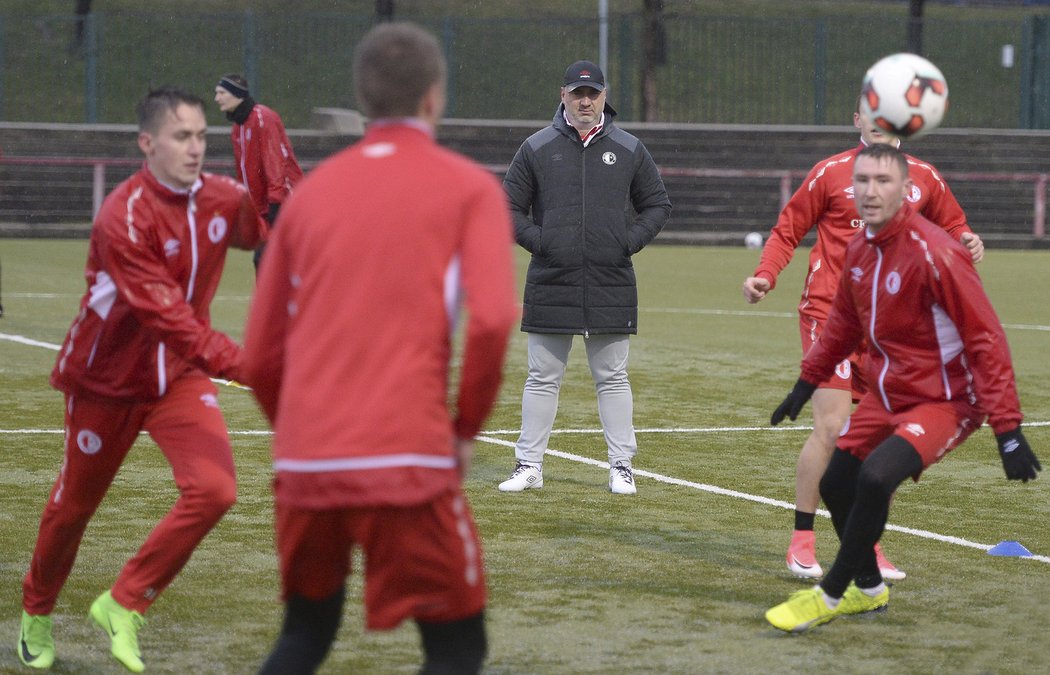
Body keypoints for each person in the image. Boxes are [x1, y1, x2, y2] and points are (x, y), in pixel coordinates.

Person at [241, 22, 518, 674]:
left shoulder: (309, 200)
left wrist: (304, 428)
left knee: (304, 636)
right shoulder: (468, 187)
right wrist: (463, 429)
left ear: (363, 98)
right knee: (456, 646)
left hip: (307, 461)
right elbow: (494, 319)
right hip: (407, 455)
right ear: (434, 96)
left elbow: (256, 355)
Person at [17, 87, 266, 672]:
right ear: (147, 143)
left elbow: (273, 229)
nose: (196, 148)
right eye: (183, 137)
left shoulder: (221, 198)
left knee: (216, 489)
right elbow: (173, 322)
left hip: (177, 379)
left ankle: (124, 602)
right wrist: (260, 368)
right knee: (74, 507)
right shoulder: (122, 218)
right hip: (106, 381)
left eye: (203, 136)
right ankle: (36, 611)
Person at [764, 143, 1040, 633]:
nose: (870, 191)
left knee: (874, 478)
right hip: (891, 394)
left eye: (882, 181)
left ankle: (830, 594)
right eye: (862, 181)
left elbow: (986, 339)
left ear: (906, 190)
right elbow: (843, 325)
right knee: (835, 483)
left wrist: (1008, 429)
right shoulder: (860, 250)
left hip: (947, 400)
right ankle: (870, 591)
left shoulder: (937, 253)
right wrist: (808, 382)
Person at [741, 101, 985, 581]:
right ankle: (802, 540)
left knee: (882, 444)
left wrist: (970, 240)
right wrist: (764, 275)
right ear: (857, 122)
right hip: (828, 316)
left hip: (889, 327)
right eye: (869, 114)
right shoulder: (830, 173)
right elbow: (787, 231)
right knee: (832, 429)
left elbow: (955, 227)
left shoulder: (925, 178)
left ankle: (866, 547)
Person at [498, 59, 672, 495]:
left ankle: (621, 466)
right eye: (577, 94)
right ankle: (528, 465)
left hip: (610, 279)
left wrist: (625, 241)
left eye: (592, 93)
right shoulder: (536, 147)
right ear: (563, 96)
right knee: (541, 377)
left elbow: (657, 205)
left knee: (613, 378)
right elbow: (508, 208)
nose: (585, 101)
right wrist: (543, 242)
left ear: (604, 97)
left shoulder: (630, 148)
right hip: (551, 278)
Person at [213, 73, 303, 268]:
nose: (216, 98)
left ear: (237, 94)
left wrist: (276, 203)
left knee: (269, 261)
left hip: (282, 202)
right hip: (263, 208)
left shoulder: (262, 117)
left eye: (221, 92)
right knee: (266, 261)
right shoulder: (238, 128)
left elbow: (275, 162)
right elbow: (243, 172)